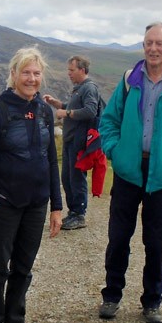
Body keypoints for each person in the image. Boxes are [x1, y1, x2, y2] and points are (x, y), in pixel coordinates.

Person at [97, 22, 162, 323]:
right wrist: (114, 150)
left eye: (159, 43)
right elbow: (109, 120)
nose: (153, 48)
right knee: (118, 237)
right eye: (148, 43)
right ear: (143, 46)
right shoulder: (130, 79)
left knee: (157, 243)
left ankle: (152, 302)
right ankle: (111, 296)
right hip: (129, 170)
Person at [0, 46, 62, 323]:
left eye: (36, 73)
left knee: (23, 269)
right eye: (26, 72)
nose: (32, 78)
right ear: (13, 75)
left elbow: (51, 160)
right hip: (4, 202)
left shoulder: (45, 112)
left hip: (36, 204)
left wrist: (57, 207)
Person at [43, 55, 100, 230]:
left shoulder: (89, 88)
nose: (69, 73)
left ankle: (79, 214)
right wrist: (56, 104)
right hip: (70, 139)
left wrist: (66, 114)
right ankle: (73, 212)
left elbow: (90, 110)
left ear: (82, 70)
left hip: (79, 140)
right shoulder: (79, 89)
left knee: (76, 178)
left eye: (72, 70)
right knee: (67, 178)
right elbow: (73, 105)